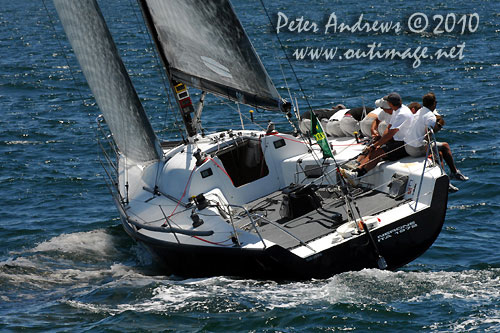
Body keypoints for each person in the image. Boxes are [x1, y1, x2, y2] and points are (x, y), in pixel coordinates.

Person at [340, 92, 413, 185]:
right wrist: (377, 142)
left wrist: (376, 145)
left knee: (378, 152)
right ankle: (357, 169)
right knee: (376, 148)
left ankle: (357, 175)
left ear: (390, 104)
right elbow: (389, 128)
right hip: (396, 140)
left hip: (404, 144)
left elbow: (391, 133)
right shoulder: (397, 110)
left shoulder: (402, 113)